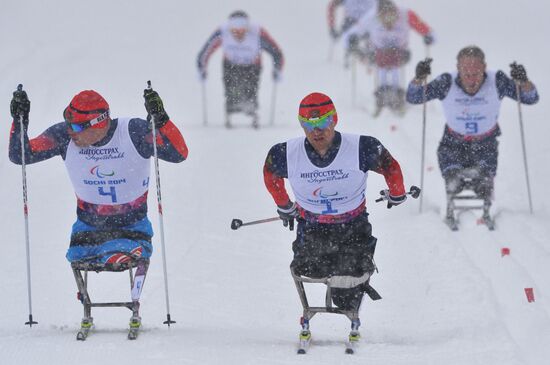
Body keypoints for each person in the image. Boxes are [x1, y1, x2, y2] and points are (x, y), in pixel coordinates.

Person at [9, 87, 188, 332]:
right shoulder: (63, 136)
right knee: (78, 257)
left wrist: (162, 120)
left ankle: (123, 251)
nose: (71, 131)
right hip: (89, 224)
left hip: (132, 224)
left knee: (119, 257)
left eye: (78, 127)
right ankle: (106, 257)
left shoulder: (133, 132)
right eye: (68, 121)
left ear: (100, 122)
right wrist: (20, 122)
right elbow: (21, 155)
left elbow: (179, 153)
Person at [263, 92, 407, 338]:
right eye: (308, 125)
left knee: (347, 284)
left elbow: (391, 167)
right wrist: (285, 205)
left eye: (323, 123)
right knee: (309, 269)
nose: (316, 131)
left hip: (353, 227)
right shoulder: (285, 153)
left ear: (335, 120)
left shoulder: (362, 146)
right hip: (312, 227)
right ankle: (316, 303)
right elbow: (270, 174)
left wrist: (397, 192)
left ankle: (349, 295)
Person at [406, 46, 539, 223]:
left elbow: (530, 98)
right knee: (453, 181)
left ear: (484, 67)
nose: (471, 80)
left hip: (486, 143)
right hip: (453, 142)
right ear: (458, 68)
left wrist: (524, 81)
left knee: (483, 185)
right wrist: (418, 78)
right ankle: (453, 185)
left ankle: (482, 188)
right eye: (466, 74)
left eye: (476, 74)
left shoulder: (497, 80)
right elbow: (413, 97)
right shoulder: (447, 81)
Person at [342, 0, 434, 115]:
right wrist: (352, 38)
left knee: (396, 70)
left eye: (391, 17)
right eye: (384, 18)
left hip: (400, 52)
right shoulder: (371, 17)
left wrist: (428, 35)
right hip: (379, 53)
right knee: (382, 70)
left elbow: (422, 27)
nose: (388, 23)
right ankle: (381, 96)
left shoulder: (406, 14)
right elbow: (355, 30)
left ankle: (398, 95)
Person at [197, 10, 284, 129]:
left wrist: (277, 69)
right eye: (235, 28)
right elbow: (206, 50)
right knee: (231, 88)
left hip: (252, 65)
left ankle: (251, 107)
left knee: (250, 88)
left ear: (247, 27)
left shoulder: (257, 32)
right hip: (230, 64)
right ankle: (231, 107)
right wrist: (202, 67)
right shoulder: (222, 32)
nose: (238, 32)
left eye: (242, 28)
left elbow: (276, 52)